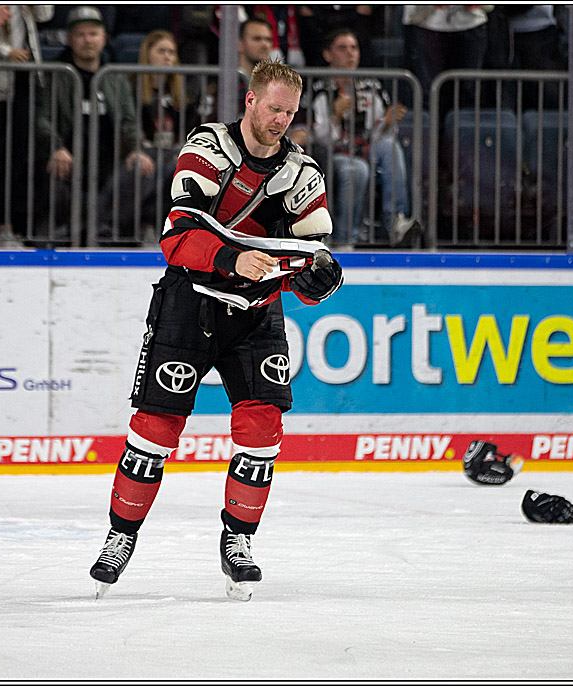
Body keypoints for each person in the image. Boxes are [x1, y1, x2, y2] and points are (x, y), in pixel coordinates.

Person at [88, 59, 344, 602]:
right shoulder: (205, 150)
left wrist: (320, 277)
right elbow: (177, 238)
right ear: (249, 101)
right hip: (190, 304)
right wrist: (233, 258)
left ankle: (239, 542)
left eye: (290, 113)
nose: (281, 120)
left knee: (264, 428)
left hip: (257, 312)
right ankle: (120, 535)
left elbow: (312, 259)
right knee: (154, 428)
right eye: (274, 108)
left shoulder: (304, 174)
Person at [34, 5, 154, 245]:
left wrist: (135, 149)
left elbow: (129, 121)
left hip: (109, 162)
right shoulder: (56, 74)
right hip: (68, 160)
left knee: (145, 168)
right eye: (80, 34)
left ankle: (105, 230)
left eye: (93, 34)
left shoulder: (115, 76)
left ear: (104, 38)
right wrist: (55, 147)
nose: (87, 40)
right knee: (51, 175)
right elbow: (42, 119)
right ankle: (64, 231)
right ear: (69, 39)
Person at [310, 28, 421, 249]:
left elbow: (377, 133)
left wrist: (387, 124)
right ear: (327, 54)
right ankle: (344, 239)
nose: (350, 53)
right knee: (356, 168)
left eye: (354, 48)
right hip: (332, 152)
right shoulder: (317, 89)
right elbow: (315, 138)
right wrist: (335, 117)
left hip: (366, 148)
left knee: (390, 147)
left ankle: (397, 222)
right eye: (342, 48)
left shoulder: (372, 86)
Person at [0, 3, 54, 249]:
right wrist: (5, 50)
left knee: (15, 158)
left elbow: (46, 13)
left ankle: (6, 228)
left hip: (24, 76)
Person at [133, 29, 202, 244]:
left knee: (177, 168)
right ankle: (147, 225)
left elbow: (191, 130)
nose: (167, 57)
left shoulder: (183, 93)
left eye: (171, 52)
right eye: (161, 51)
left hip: (173, 152)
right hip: (144, 151)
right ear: (147, 54)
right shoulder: (132, 85)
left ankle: (158, 227)